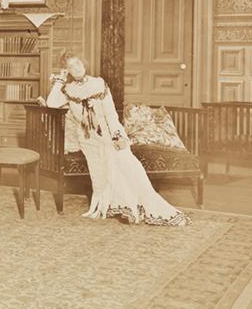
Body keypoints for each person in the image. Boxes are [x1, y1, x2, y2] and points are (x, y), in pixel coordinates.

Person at [46, 52, 191, 226]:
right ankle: (110, 207)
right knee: (100, 175)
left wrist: (117, 136)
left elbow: (110, 114)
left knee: (127, 167)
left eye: (77, 63)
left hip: (109, 135)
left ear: (84, 64)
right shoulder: (68, 89)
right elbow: (51, 103)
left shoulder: (98, 84)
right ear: (67, 70)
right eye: (70, 66)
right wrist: (60, 80)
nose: (75, 68)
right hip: (88, 140)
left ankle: (136, 206)